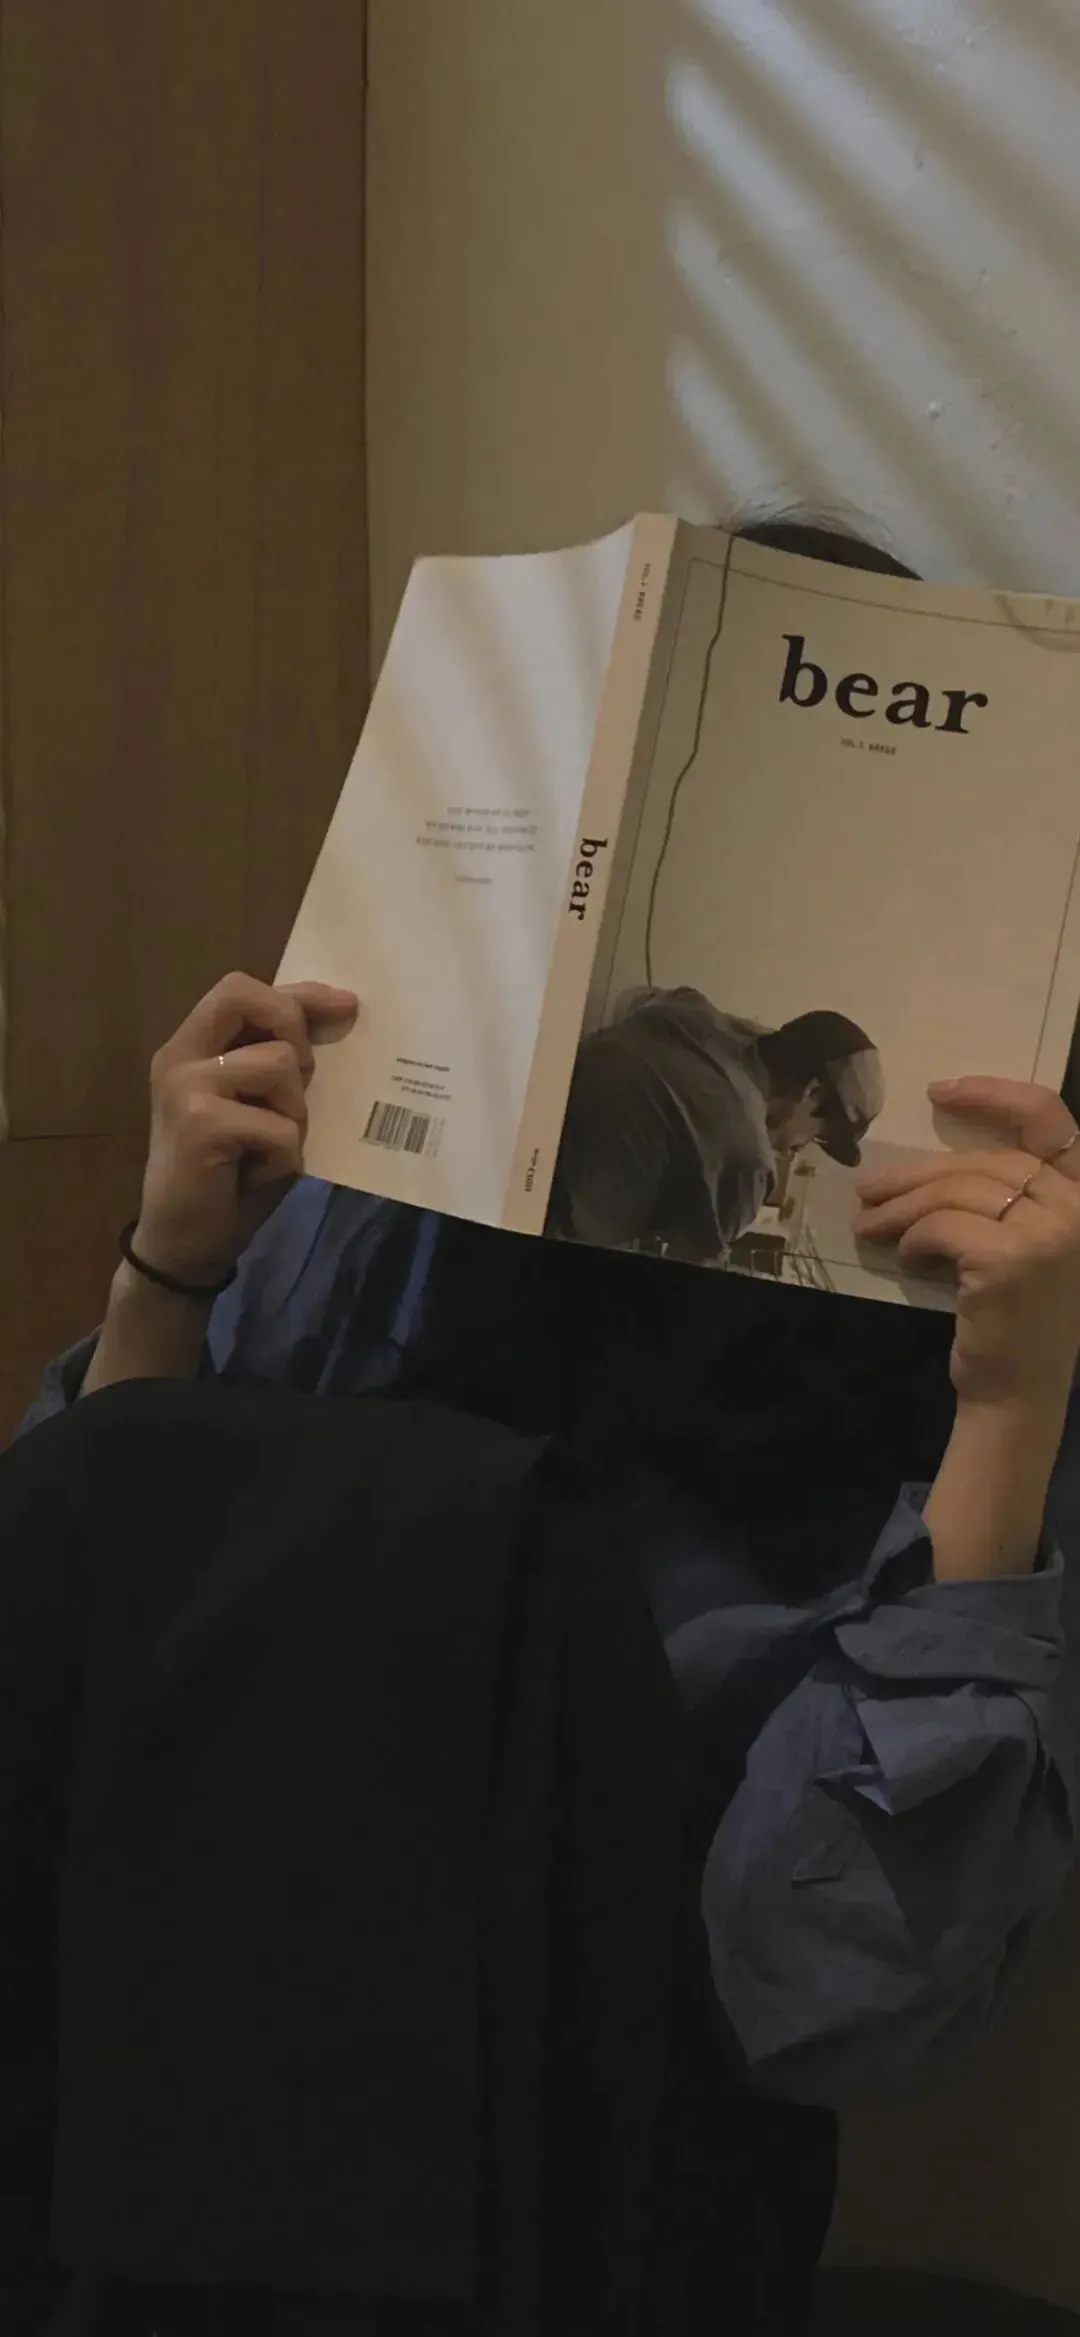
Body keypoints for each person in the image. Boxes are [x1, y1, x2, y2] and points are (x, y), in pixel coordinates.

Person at [16, 521, 1080, 2327]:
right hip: (155, 2160)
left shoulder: (977, 1330)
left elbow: (830, 1998)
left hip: (591, 2215)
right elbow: (77, 1667)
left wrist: (1008, 1412)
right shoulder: (373, 1224)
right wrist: (170, 1264)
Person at [549, 990, 884, 1260]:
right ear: (812, 1094)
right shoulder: (748, 1160)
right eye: (821, 1136)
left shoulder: (687, 1007)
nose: (797, 1150)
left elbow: (629, 998)